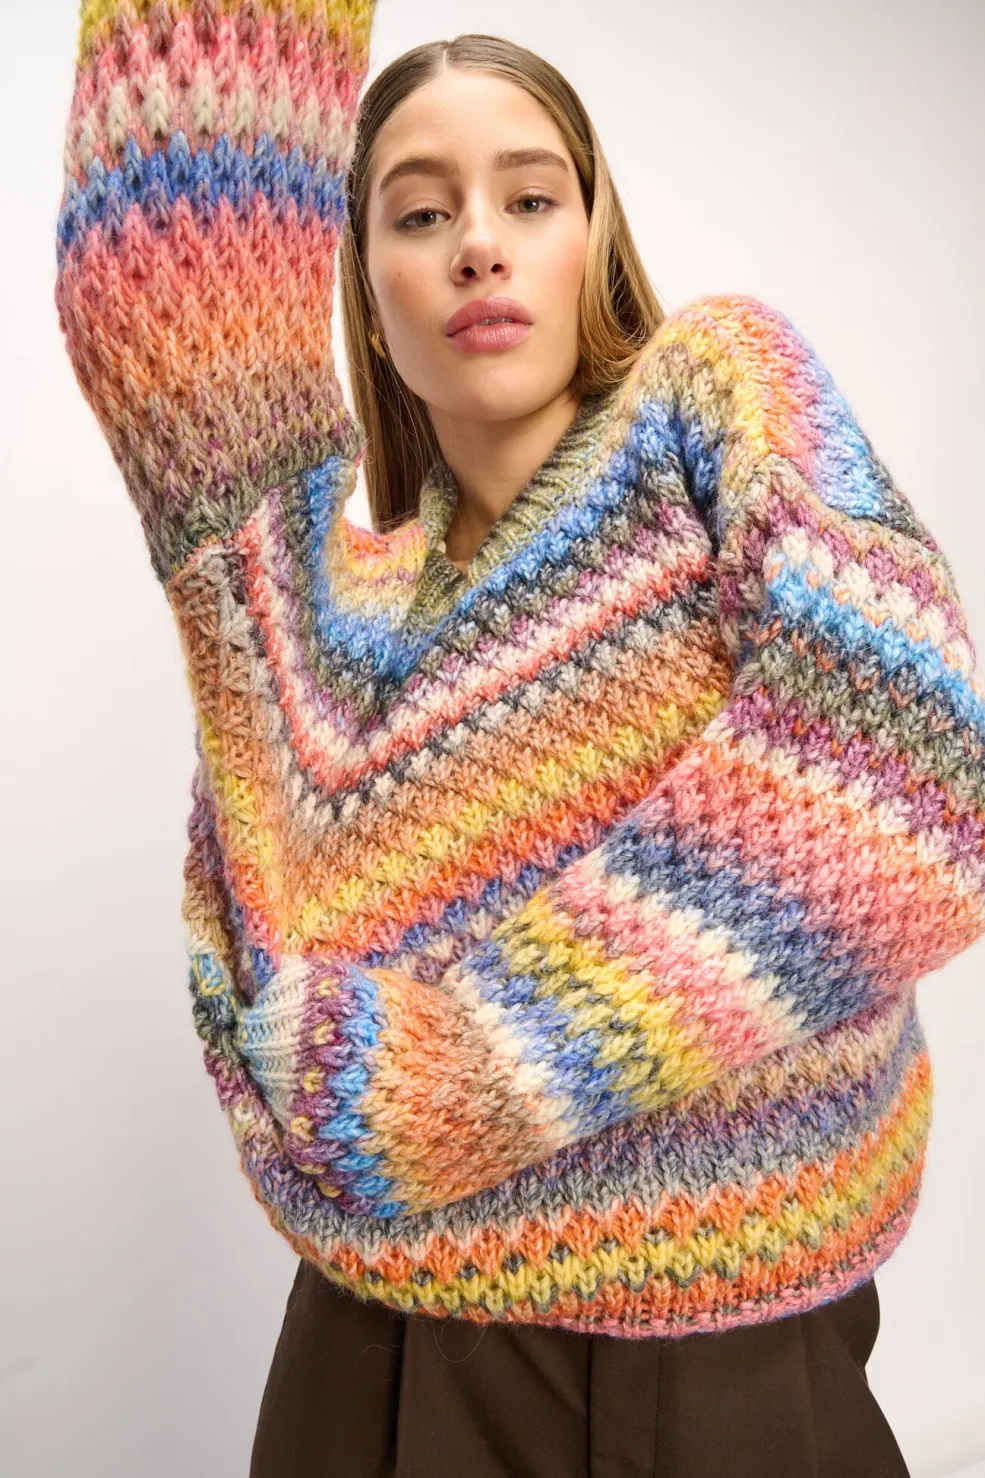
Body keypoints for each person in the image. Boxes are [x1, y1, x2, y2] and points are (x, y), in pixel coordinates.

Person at [54, 4, 984, 1475]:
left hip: (726, 1371)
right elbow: (154, 290)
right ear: (362, 278)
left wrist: (464, 1075)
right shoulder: (316, 603)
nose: (478, 243)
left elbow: (906, 780)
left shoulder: (713, 395)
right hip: (376, 1364)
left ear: (592, 239)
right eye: (420, 213)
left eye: (531, 198)